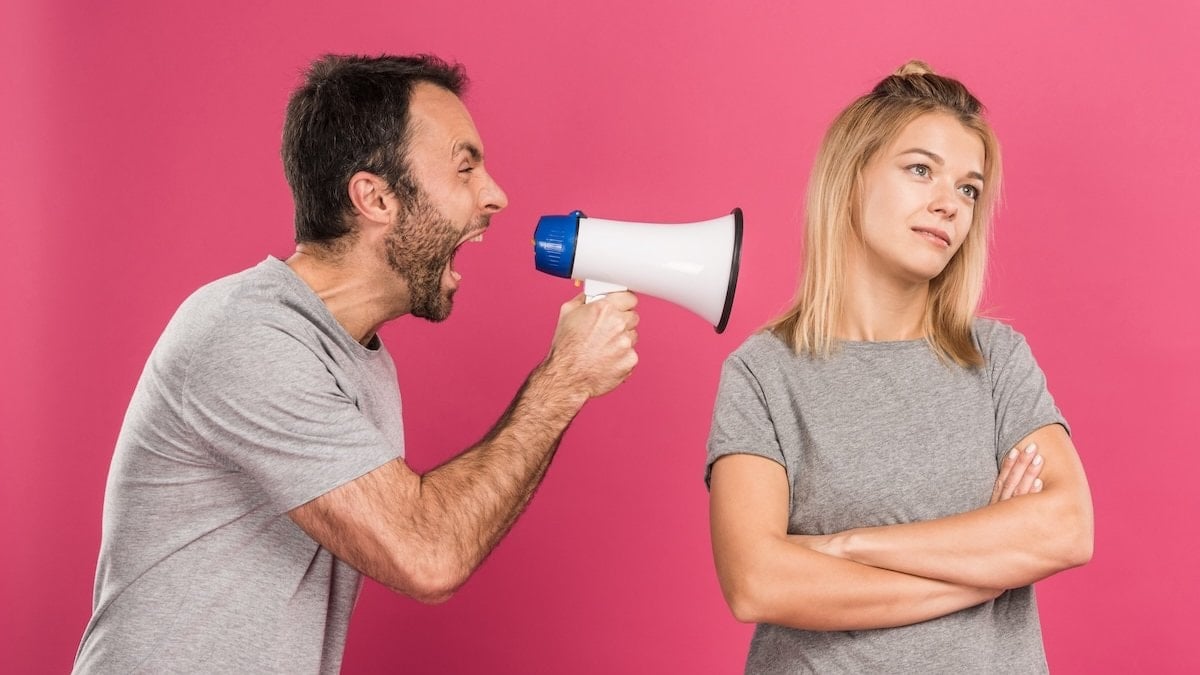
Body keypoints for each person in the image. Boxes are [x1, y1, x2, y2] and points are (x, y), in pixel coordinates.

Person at [74, 54, 639, 673]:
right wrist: (563, 381)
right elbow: (427, 555)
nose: (495, 195)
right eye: (465, 167)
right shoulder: (247, 334)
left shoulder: (357, 356)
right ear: (375, 197)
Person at [706, 61, 1093, 673]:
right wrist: (982, 571)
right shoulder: (762, 373)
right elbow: (758, 581)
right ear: (852, 177)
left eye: (969, 188)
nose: (949, 206)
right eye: (920, 170)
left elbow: (1066, 529)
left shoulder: (996, 360)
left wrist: (846, 548)